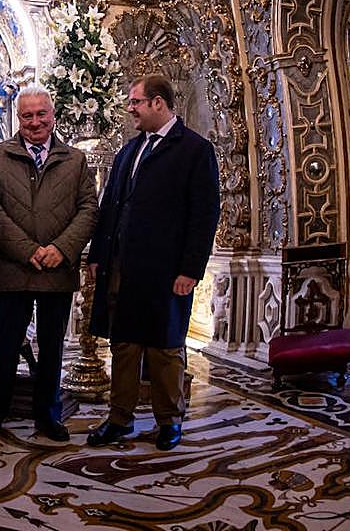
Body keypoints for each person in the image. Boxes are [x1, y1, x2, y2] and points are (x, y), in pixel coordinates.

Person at [85, 74, 220, 451]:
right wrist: (99, 255)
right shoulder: (130, 150)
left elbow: (204, 215)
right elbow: (110, 204)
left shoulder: (194, 149)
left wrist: (190, 270)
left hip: (165, 271)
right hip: (123, 268)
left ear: (158, 103)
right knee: (124, 346)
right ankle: (119, 418)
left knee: (165, 348)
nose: (131, 109)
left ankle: (169, 421)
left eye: (136, 102)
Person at [0, 85, 98, 443]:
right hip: (14, 268)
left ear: (52, 116)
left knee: (52, 347)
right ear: (18, 118)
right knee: (6, 347)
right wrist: (27, 250)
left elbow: (88, 209)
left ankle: (48, 416)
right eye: (28, 115)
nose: (35, 122)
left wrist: (60, 248)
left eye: (42, 114)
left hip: (58, 268)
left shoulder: (74, 160)